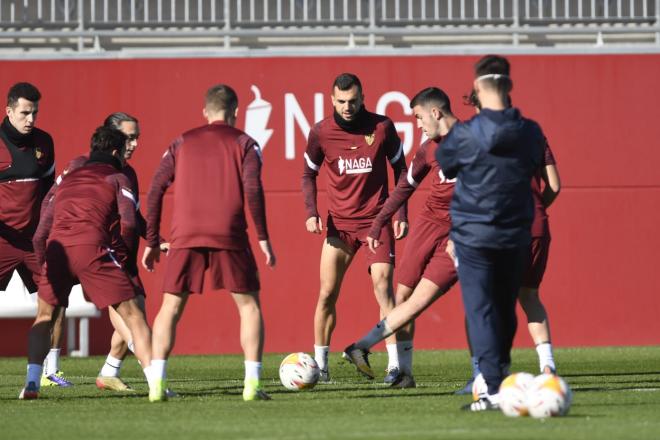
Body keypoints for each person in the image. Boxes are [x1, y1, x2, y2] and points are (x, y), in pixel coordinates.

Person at [142, 84, 275, 402]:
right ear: (236, 111)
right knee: (249, 306)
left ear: (205, 111)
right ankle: (252, 384)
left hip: (184, 234)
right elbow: (253, 189)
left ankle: (156, 383)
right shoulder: (245, 142)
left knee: (170, 307)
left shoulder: (181, 142)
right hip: (228, 232)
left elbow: (155, 188)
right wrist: (263, 238)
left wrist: (150, 239)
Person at [435, 55, 545, 411]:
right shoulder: (531, 132)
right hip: (514, 235)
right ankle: (500, 378)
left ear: (479, 87)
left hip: (474, 237)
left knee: (481, 312)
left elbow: (447, 163)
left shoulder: (466, 134)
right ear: (509, 86)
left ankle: (493, 387)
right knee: (504, 310)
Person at [19, 126, 155, 400]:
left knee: (44, 318)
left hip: (57, 252)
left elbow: (40, 233)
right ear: (116, 152)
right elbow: (129, 223)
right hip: (93, 250)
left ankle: (32, 383)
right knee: (134, 316)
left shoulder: (67, 177)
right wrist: (125, 264)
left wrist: (45, 266)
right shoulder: (119, 176)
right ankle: (157, 384)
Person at [342, 87, 458, 389]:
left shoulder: (474, 141)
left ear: (435, 112)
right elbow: (404, 187)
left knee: (429, 301)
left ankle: (485, 374)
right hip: (428, 224)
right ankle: (404, 373)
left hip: (461, 230)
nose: (417, 125)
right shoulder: (429, 148)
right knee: (403, 297)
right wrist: (380, 221)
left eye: (419, 118)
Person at [301, 73, 408, 382]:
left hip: (377, 221)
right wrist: (312, 211)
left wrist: (400, 213)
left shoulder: (382, 127)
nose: (347, 107)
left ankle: (394, 367)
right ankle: (321, 367)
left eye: (353, 101)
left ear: (363, 98)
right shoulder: (321, 132)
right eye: (341, 101)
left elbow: (402, 170)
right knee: (326, 293)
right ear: (332, 100)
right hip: (340, 226)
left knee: (383, 289)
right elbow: (307, 174)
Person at [454, 95, 562, 395]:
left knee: (483, 303)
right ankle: (548, 366)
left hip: (500, 230)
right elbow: (554, 185)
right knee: (530, 296)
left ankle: (488, 373)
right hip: (537, 224)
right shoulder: (533, 134)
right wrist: (537, 206)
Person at [0, 82, 70, 387]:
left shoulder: (45, 141)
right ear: (9, 111)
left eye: (35, 112)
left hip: (34, 242)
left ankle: (51, 371)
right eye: (25, 112)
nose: (31, 119)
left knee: (56, 301)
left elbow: (50, 189)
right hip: (2, 239)